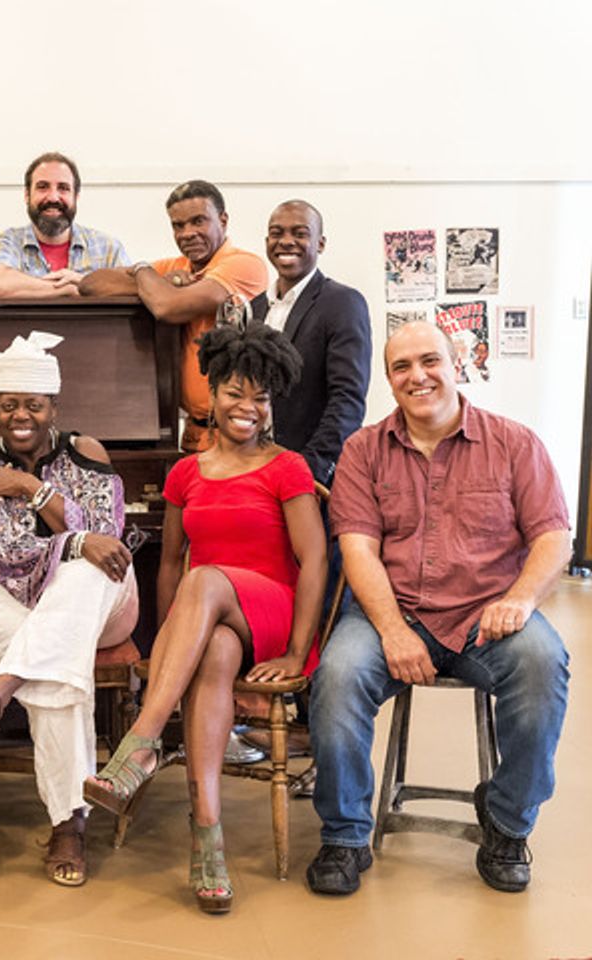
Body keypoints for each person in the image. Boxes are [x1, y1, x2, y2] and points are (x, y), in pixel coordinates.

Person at [307, 321, 570, 896]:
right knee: (339, 676)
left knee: (543, 664)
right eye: (401, 367)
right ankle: (346, 834)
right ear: (389, 379)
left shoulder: (514, 443)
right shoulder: (363, 451)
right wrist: (393, 630)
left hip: (488, 614)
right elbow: (358, 550)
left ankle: (506, 822)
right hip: (391, 612)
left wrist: (520, 599)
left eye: (430, 361)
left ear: (458, 366)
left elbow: (554, 538)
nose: (417, 376)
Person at [83, 323, 327, 914]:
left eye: (261, 398)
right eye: (236, 393)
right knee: (211, 649)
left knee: (205, 577)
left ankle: (143, 741)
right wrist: (173, 644)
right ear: (211, 395)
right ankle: (207, 837)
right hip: (213, 617)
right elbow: (167, 565)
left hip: (271, 610)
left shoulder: (285, 467)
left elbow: (315, 558)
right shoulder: (185, 474)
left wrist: (297, 652)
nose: (248, 408)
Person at [0, 331, 139, 887]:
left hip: (101, 600)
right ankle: (71, 823)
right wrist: (74, 535)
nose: (20, 415)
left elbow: (110, 544)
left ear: (54, 406)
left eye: (33, 404)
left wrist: (31, 490)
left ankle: (1, 687)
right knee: (58, 670)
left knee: (84, 573)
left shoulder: (88, 453)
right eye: (8, 405)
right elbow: (4, 557)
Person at [79, 180, 267, 452]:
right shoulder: (173, 267)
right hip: (191, 433)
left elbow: (168, 306)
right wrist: (157, 279)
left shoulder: (245, 264)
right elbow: (91, 284)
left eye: (198, 221)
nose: (188, 233)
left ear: (223, 220)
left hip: (238, 436)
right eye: (178, 225)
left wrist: (148, 276)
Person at [251, 200, 372, 487]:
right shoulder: (254, 309)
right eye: (277, 233)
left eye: (300, 233)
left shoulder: (342, 303)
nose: (286, 242)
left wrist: (310, 470)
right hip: (256, 472)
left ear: (320, 243)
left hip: (312, 477)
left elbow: (348, 398)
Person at [0, 151, 129, 298]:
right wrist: (70, 289)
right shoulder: (10, 241)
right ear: (27, 195)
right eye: (42, 187)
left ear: (76, 196)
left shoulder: (108, 248)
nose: (53, 197)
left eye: (63, 188)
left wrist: (83, 282)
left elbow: (133, 290)